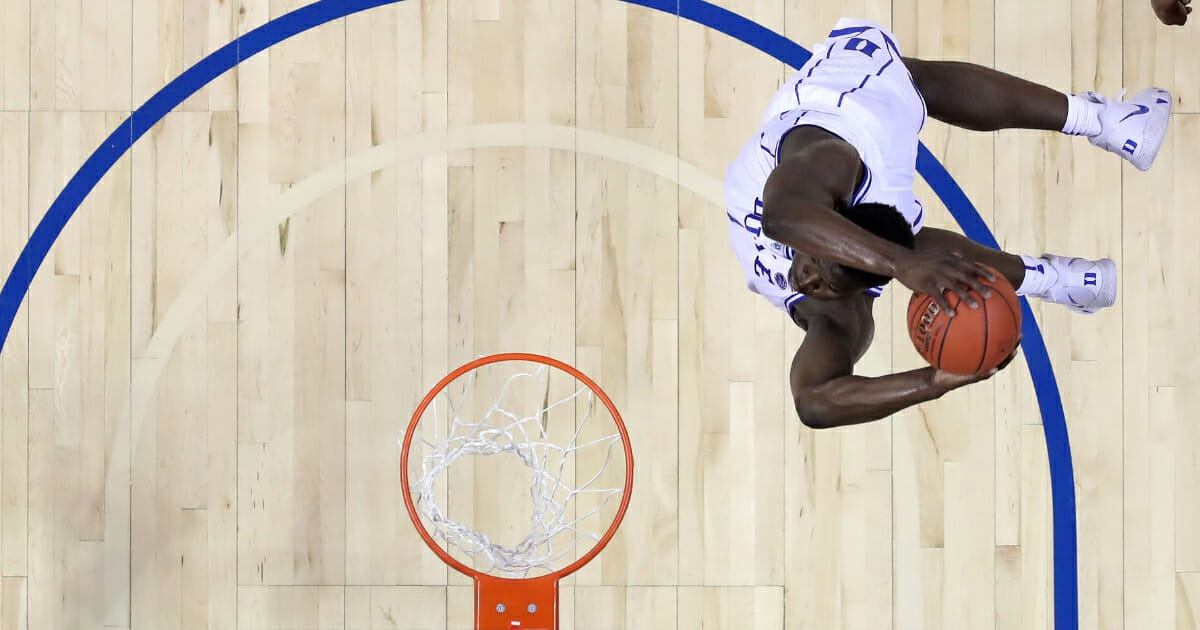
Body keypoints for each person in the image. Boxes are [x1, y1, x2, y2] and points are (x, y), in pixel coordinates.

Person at [723, 18, 1171, 429]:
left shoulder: (824, 210)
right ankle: (1108, 125)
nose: (805, 279)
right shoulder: (825, 160)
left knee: (920, 243)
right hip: (848, 119)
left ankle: (1065, 279)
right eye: (821, 274)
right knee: (909, 79)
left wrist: (934, 379)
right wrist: (928, 374)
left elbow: (813, 402)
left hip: (845, 163)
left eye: (815, 277)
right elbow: (784, 218)